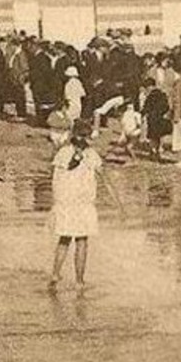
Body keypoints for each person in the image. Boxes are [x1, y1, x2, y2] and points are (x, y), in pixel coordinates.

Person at [48, 119, 124, 288]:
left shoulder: (62, 153)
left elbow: (54, 178)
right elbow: (105, 179)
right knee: (82, 241)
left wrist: (57, 201)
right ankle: (79, 281)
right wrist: (118, 204)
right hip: (83, 204)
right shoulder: (91, 155)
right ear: (88, 137)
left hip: (65, 203)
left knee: (64, 240)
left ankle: (55, 274)